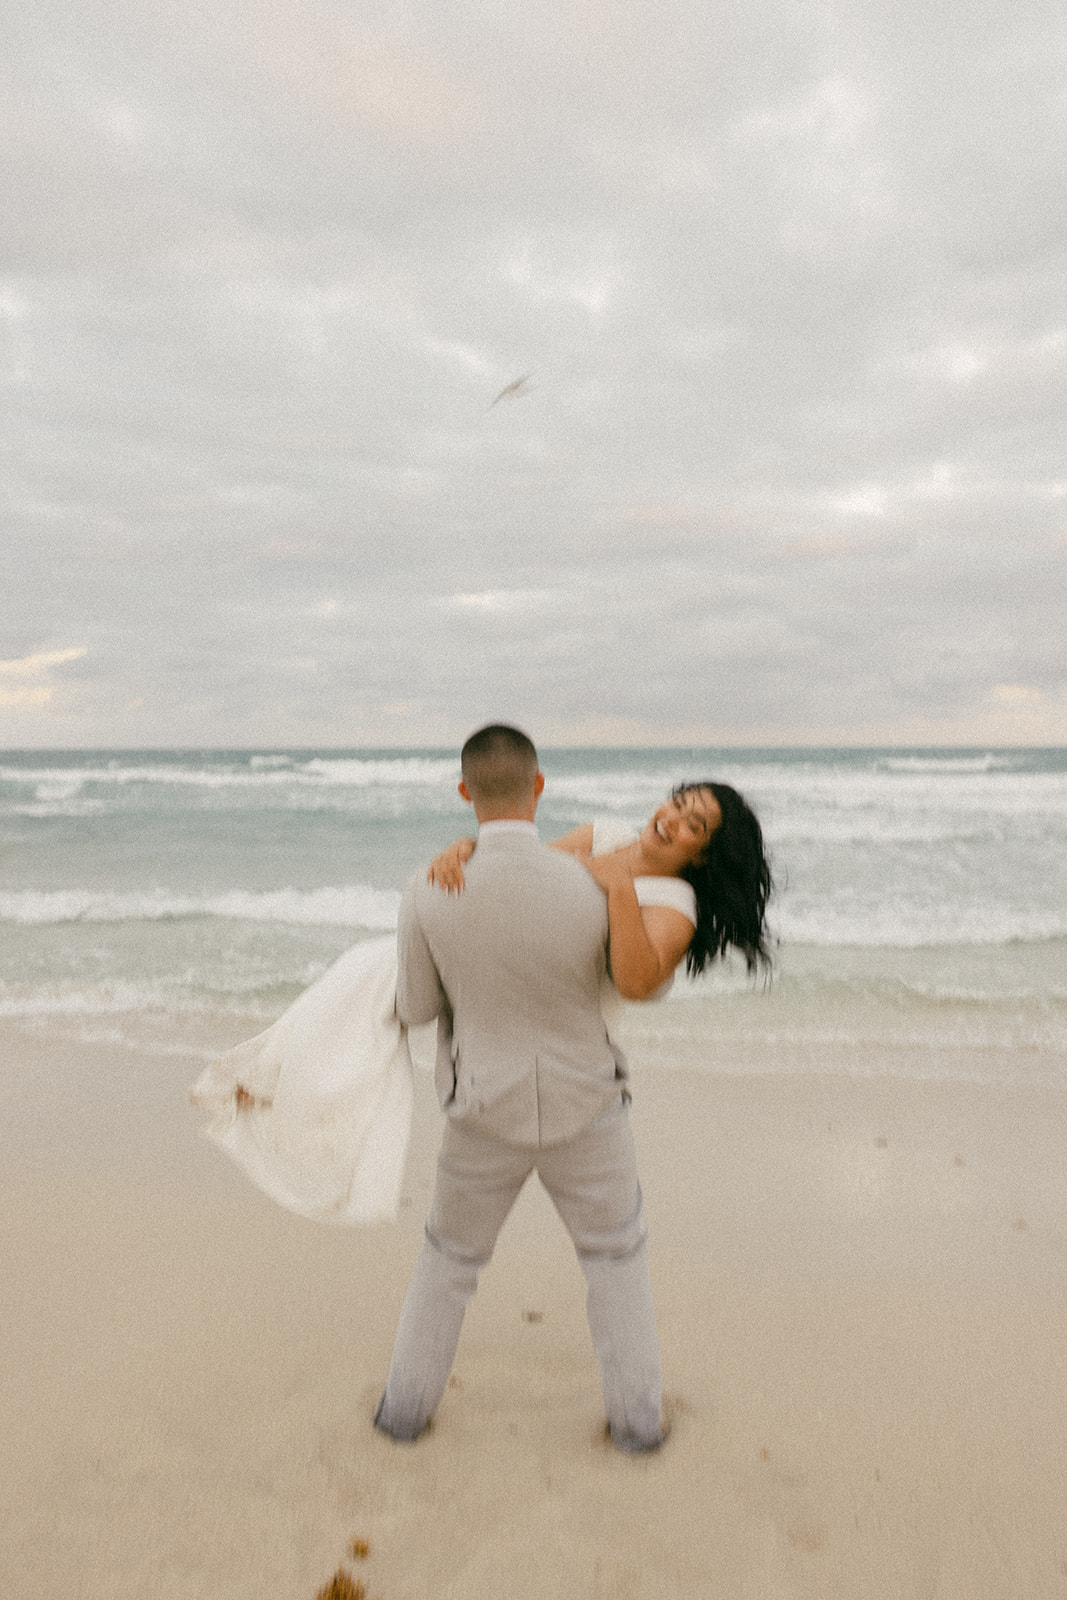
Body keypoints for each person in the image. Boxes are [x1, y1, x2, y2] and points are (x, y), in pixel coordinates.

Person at [373, 725, 772, 1451]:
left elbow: (636, 980)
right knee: (611, 1256)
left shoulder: (672, 904)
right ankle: (628, 1427)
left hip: (496, 1100)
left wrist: (616, 885)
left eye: (695, 824)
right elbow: (515, 891)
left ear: (704, 851)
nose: (675, 819)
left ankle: (412, 1417)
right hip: (581, 1099)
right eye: (680, 803)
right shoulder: (602, 834)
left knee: (459, 1258)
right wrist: (463, 852)